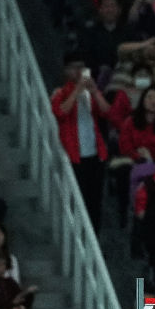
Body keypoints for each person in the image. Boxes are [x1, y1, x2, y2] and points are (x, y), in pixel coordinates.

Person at [50, 52, 111, 232]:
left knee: (95, 201)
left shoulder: (91, 93)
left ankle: (95, 237)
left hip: (95, 155)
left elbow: (107, 112)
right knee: (77, 201)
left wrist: (94, 91)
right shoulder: (60, 93)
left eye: (81, 68)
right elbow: (61, 112)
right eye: (74, 68)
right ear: (66, 70)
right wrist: (77, 90)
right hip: (75, 156)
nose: (78, 72)